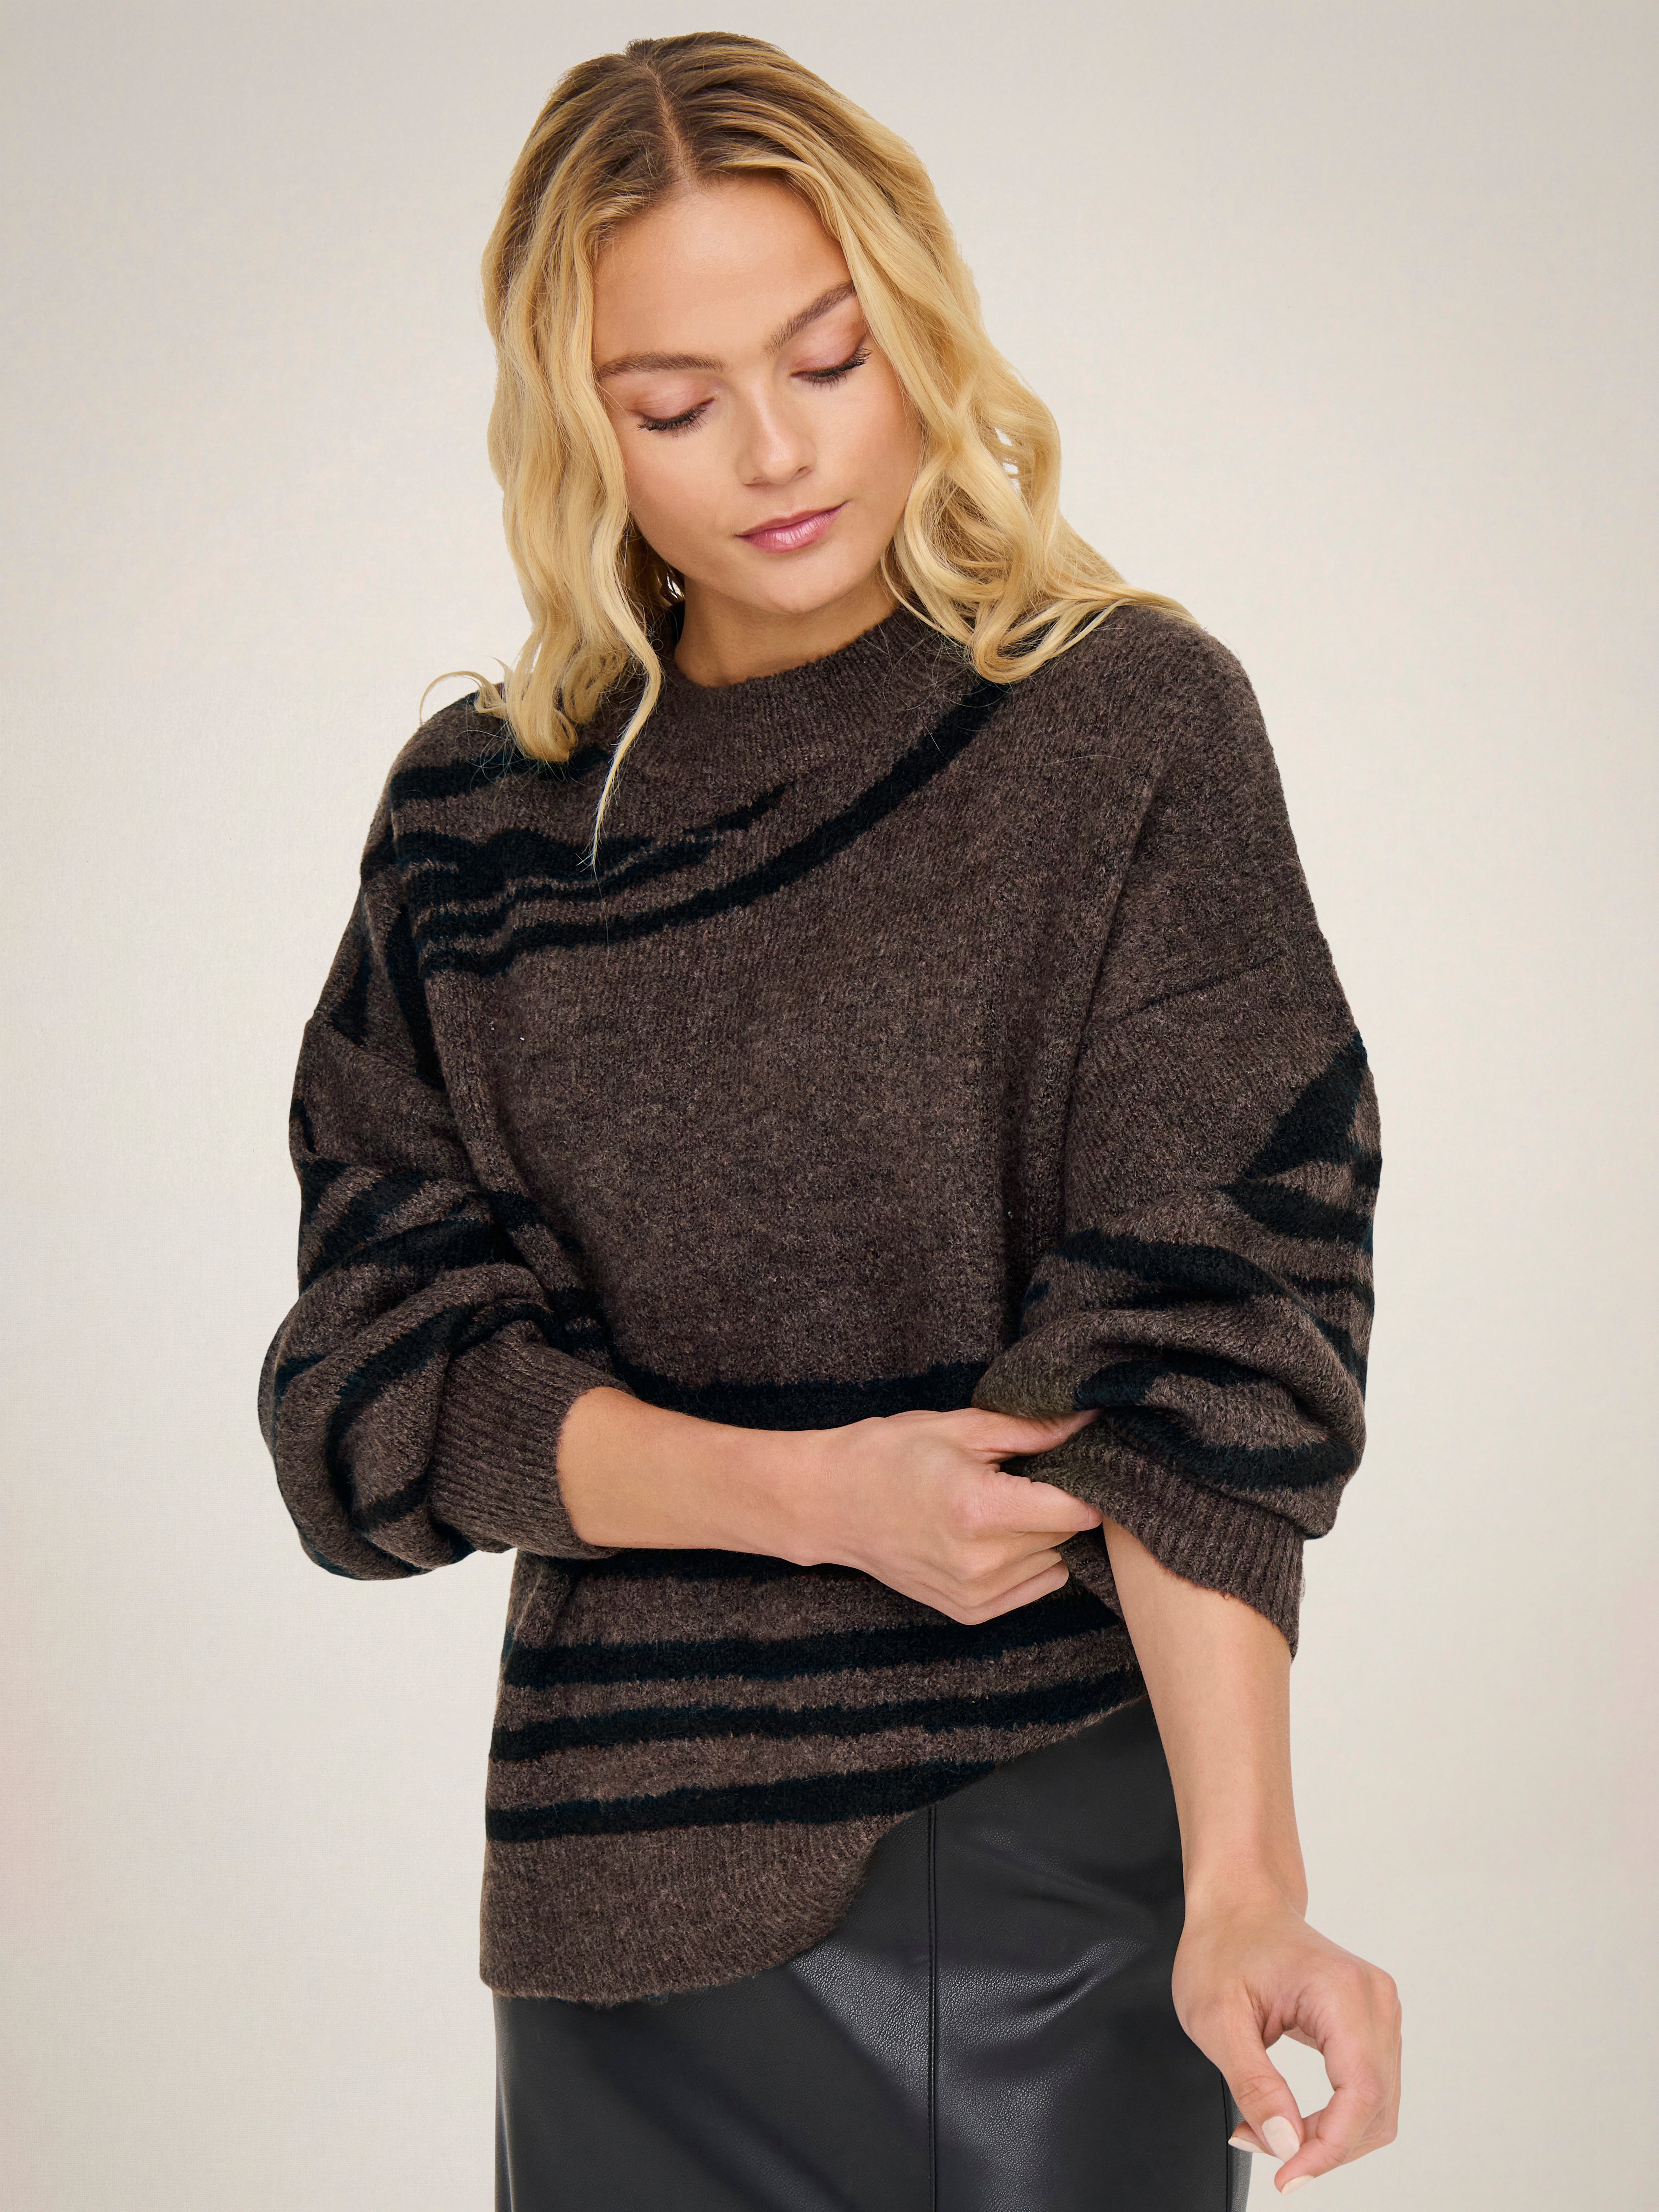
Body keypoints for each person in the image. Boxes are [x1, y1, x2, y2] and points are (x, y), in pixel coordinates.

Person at [260, 30, 1401, 2210]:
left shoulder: (1119, 727)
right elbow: (371, 1392)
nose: (774, 452)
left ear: (919, 331)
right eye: (672, 401)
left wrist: (1248, 1884)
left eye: (826, 356)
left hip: (1032, 1871)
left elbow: (1208, 1338)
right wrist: (809, 1497)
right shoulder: (480, 826)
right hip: (610, 1915)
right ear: (574, 422)